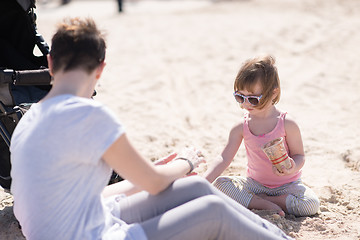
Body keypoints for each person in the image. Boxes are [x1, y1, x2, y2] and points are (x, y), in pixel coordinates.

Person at [10, 18, 293, 240]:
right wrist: (185, 162)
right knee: (212, 211)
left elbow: (91, 195)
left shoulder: (28, 118)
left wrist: (154, 169)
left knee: (194, 185)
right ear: (100, 69)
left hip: (75, 221)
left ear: (49, 63)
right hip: (89, 234)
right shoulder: (87, 114)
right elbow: (155, 184)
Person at [203, 55, 320, 217]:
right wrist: (203, 181)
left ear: (273, 93)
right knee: (221, 184)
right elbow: (224, 158)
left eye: (253, 99)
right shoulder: (241, 126)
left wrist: (292, 167)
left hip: (287, 185)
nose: (245, 104)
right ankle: (262, 202)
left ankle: (268, 201)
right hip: (255, 184)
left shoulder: (287, 124)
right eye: (239, 97)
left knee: (311, 205)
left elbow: (300, 156)